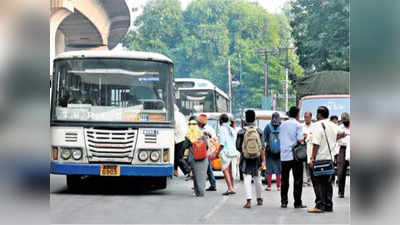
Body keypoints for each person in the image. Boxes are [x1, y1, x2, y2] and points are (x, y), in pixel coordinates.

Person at [308, 106, 346, 213]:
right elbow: (342, 133)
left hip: (320, 159)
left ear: (319, 115)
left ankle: (320, 205)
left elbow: (316, 143)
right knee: (328, 183)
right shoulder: (333, 125)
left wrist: (312, 158)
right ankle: (329, 205)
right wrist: (334, 140)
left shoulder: (317, 125)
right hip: (329, 159)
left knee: (318, 183)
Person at [279, 106, 306, 209]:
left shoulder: (282, 125)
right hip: (295, 156)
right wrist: (304, 137)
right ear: (297, 114)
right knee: (298, 180)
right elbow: (299, 140)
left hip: (284, 156)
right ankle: (297, 202)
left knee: (284, 180)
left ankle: (284, 202)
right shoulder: (298, 125)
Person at [237, 109, 265, 208]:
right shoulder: (259, 131)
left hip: (245, 158)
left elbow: (238, 146)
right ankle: (259, 198)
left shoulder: (241, 131)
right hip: (257, 158)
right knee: (257, 178)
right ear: (255, 118)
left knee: (247, 178)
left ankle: (248, 201)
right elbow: (262, 147)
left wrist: (245, 151)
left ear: (245, 119)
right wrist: (263, 160)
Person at [216, 113, 239, 195]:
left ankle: (230, 188)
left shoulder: (221, 129)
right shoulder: (231, 129)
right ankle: (232, 187)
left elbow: (222, 144)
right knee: (231, 171)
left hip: (226, 152)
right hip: (234, 152)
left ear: (221, 120)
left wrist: (216, 153)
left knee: (225, 170)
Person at [186, 120, 209, 197]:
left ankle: (197, 191)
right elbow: (207, 146)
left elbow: (185, 146)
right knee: (202, 176)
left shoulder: (188, 135)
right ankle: (201, 192)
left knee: (195, 175)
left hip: (193, 158)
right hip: (203, 158)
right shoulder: (201, 134)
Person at [197, 114, 217, 191]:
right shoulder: (197, 128)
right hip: (198, 150)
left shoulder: (209, 129)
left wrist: (209, 135)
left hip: (206, 151)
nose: (198, 123)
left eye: (199, 122)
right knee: (206, 168)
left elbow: (214, 139)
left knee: (206, 167)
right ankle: (211, 184)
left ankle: (203, 184)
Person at [262, 112, 282, 191]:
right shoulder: (282, 126)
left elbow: (263, 137)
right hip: (279, 152)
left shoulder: (268, 126)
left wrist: (263, 146)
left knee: (269, 169)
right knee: (278, 169)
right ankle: (278, 186)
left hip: (269, 151)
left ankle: (269, 186)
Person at [336, 112, 350, 198]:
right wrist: (340, 136)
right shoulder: (339, 128)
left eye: (346, 119)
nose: (345, 121)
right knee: (340, 171)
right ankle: (341, 191)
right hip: (343, 148)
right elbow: (334, 138)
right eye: (343, 119)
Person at [173, 105, 189, 177]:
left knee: (178, 156)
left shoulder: (173, 115)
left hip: (178, 138)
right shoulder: (181, 115)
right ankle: (175, 171)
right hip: (182, 137)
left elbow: (174, 127)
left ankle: (188, 171)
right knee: (175, 155)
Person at [303, 112, 313, 186]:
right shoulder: (301, 126)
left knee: (310, 164)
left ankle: (310, 179)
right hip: (302, 148)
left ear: (311, 117)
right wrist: (303, 137)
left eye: (308, 117)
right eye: (305, 117)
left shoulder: (314, 126)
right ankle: (304, 180)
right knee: (303, 164)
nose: (306, 119)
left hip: (311, 148)